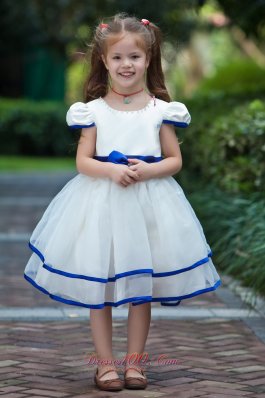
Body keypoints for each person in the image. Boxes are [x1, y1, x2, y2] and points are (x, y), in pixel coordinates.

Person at [24, 13, 221, 392]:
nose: (126, 65)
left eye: (134, 57)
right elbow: (83, 161)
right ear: (103, 60)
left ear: (149, 59)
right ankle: (105, 366)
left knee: (138, 286)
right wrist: (111, 172)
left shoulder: (161, 110)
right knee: (100, 288)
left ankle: (135, 365)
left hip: (148, 206)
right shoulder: (93, 111)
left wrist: (147, 172)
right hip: (102, 203)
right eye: (117, 58)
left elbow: (174, 160)